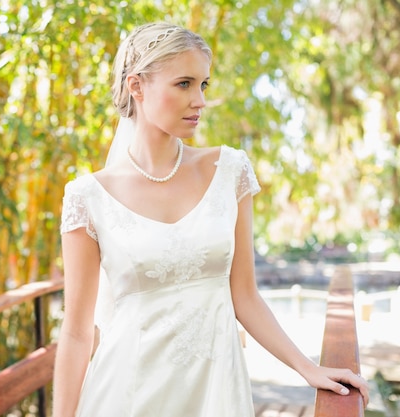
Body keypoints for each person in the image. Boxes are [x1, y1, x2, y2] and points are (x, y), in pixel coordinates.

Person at [52, 22, 369, 417]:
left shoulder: (229, 170)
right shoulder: (87, 197)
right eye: (184, 84)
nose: (199, 100)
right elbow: (78, 332)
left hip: (215, 392)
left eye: (203, 84)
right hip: (124, 393)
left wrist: (308, 369)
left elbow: (246, 296)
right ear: (137, 87)